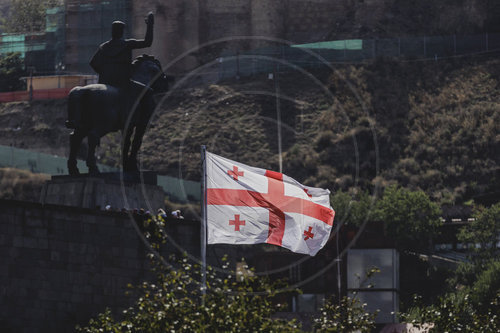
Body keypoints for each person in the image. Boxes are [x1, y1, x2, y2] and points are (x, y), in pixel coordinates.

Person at [87, 12, 156, 131]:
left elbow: (92, 63)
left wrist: (104, 73)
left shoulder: (103, 47)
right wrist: (150, 25)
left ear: (112, 31)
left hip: (105, 82)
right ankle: (146, 121)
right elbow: (147, 42)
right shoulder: (127, 44)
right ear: (122, 32)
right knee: (148, 92)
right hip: (123, 83)